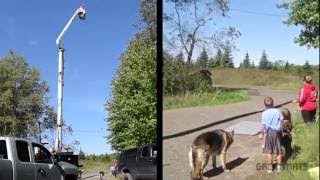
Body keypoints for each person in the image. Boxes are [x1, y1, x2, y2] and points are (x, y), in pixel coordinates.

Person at [259, 97, 283, 173]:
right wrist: (282, 131)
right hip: (277, 132)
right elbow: (282, 121)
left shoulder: (264, 113)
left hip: (268, 133)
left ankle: (270, 168)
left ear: (265, 105)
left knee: (269, 152)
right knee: (278, 151)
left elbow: (263, 126)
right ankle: (279, 167)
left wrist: (261, 134)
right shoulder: (277, 111)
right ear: (273, 103)